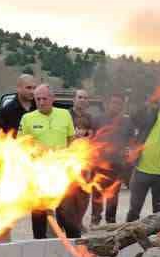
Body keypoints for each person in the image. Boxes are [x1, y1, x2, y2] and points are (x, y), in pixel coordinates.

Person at [18, 84, 80, 238]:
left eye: (44, 98)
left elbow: (72, 141)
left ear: (53, 99)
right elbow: (21, 145)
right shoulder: (27, 118)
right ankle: (39, 243)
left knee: (67, 212)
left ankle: (75, 244)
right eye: (38, 99)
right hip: (39, 174)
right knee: (39, 213)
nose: (41, 102)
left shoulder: (65, 114)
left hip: (62, 173)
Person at [125, 89, 160, 221]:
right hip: (141, 171)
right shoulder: (149, 114)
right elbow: (133, 116)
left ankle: (157, 238)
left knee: (159, 213)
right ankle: (126, 236)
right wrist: (151, 103)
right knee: (134, 210)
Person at [89, 94, 131, 226]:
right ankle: (95, 220)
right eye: (113, 103)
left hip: (117, 165)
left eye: (119, 103)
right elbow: (91, 139)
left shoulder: (127, 122)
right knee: (97, 193)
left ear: (122, 106)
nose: (115, 106)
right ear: (108, 104)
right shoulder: (97, 119)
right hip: (99, 164)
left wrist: (127, 152)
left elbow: (131, 141)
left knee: (113, 195)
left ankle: (110, 221)